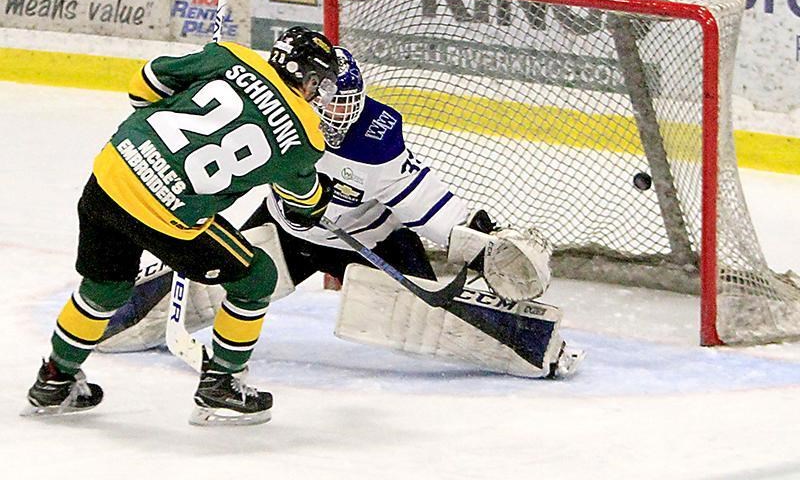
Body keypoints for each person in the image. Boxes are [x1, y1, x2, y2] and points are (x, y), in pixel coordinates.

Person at [98, 48, 581, 379]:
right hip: (286, 229)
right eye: (327, 101)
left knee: (430, 314)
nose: (336, 113)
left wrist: (477, 243)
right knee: (222, 278)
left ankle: (538, 348)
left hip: (369, 243)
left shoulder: (376, 138)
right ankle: (109, 316)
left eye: (345, 102)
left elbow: (421, 200)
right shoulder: (272, 113)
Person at [23, 26, 339, 426]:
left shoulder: (230, 56)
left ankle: (55, 378)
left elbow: (144, 83)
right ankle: (221, 385)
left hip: (111, 176)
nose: (317, 92)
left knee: (105, 286)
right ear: (305, 76)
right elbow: (304, 203)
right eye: (317, 82)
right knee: (257, 277)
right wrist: (322, 191)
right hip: (169, 217)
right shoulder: (306, 136)